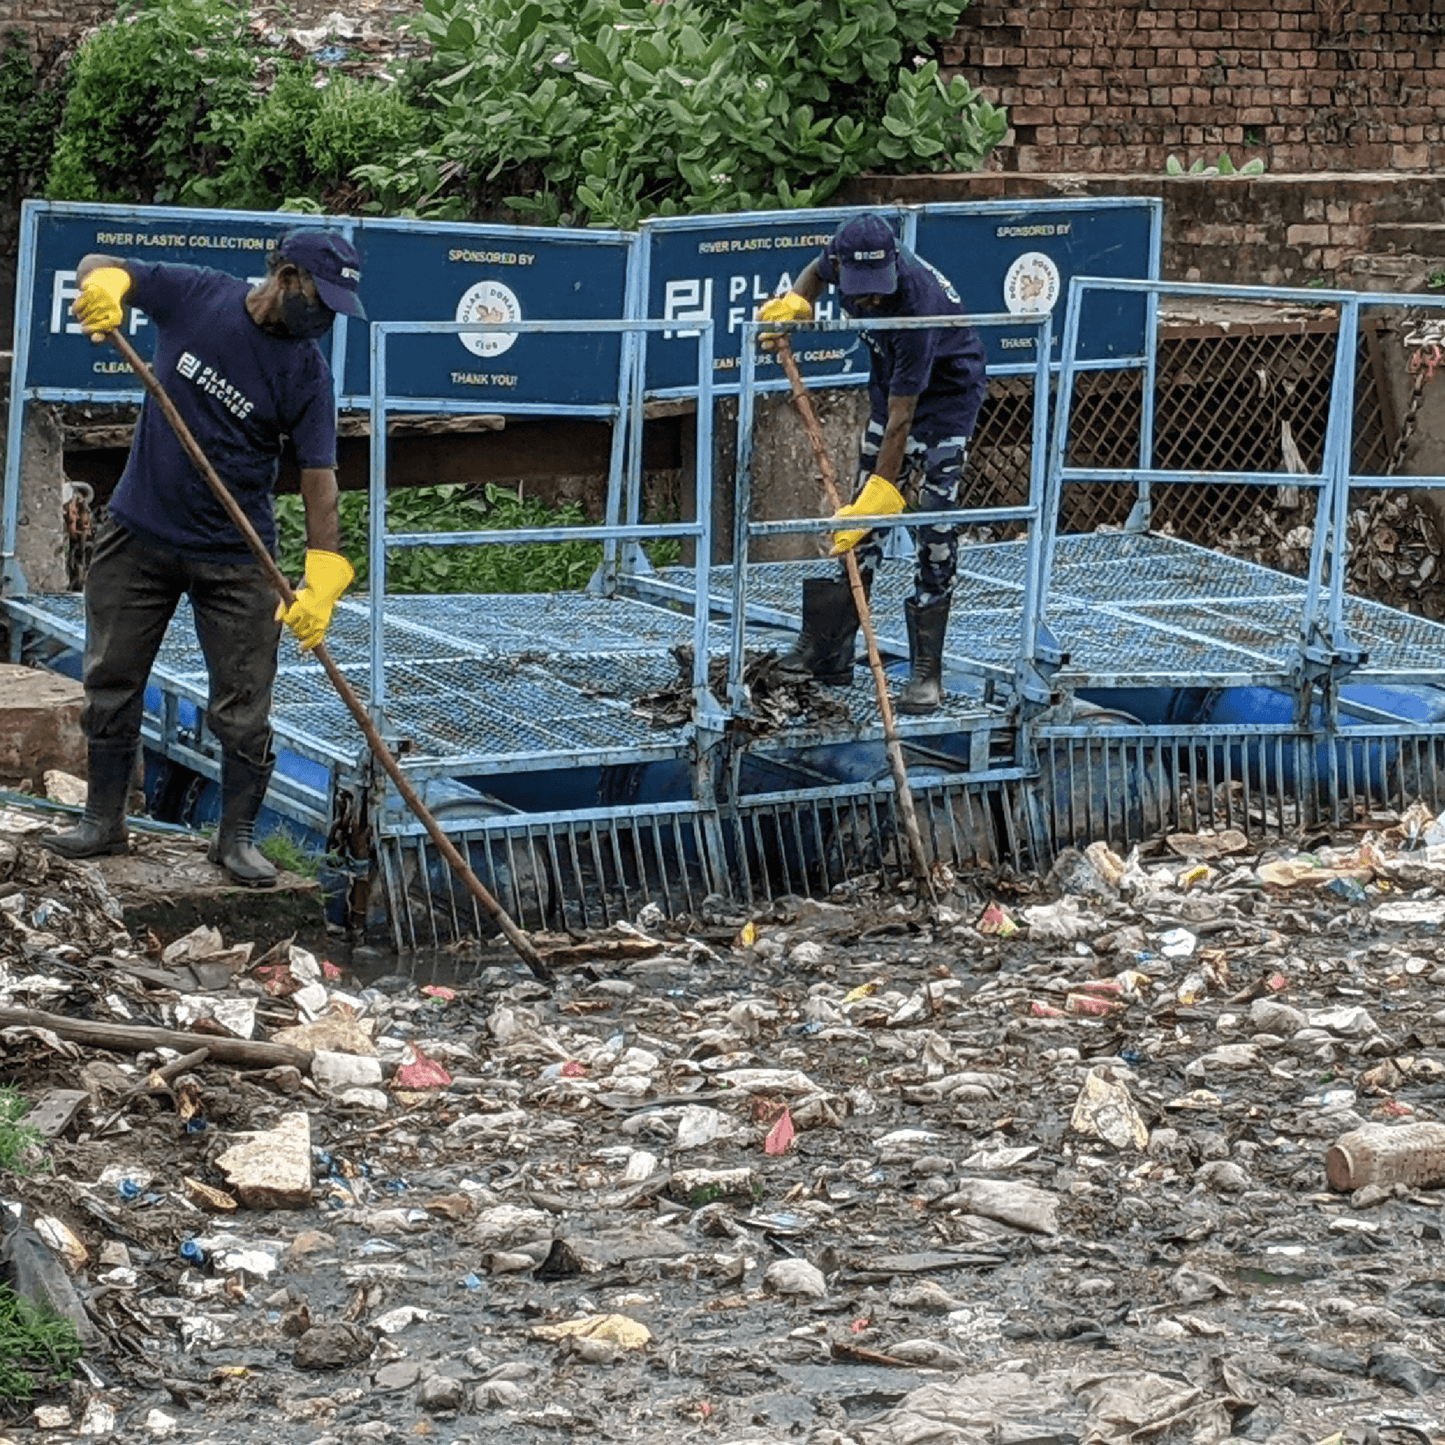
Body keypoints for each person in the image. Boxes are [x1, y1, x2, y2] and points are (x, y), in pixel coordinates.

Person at [41, 229, 365, 885]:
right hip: (139, 533)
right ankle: (103, 821)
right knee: (112, 677)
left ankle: (235, 838)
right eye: (320, 299)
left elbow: (318, 478)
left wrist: (323, 575)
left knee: (244, 705)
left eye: (335, 308)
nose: (324, 316)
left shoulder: (306, 372)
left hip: (237, 555)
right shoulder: (196, 295)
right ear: (287, 277)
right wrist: (102, 287)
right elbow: (100, 263)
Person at [757, 212, 988, 713]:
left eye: (877, 288)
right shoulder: (841, 263)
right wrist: (799, 302)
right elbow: (815, 273)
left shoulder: (916, 306)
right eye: (861, 289)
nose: (870, 300)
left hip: (945, 403)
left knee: (934, 528)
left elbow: (907, 417)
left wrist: (883, 493)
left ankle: (927, 671)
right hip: (890, 397)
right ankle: (829, 647)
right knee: (855, 528)